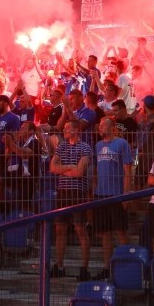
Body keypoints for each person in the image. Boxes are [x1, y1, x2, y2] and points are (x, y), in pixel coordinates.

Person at [50, 119, 93, 281]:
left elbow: (80, 172)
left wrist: (63, 169)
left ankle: (84, 267)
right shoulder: (61, 146)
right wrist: (70, 168)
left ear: (76, 130)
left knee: (80, 229)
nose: (65, 130)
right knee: (59, 229)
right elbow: (52, 168)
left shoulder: (85, 147)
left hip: (77, 192)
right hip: (63, 192)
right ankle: (59, 266)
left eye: (68, 128)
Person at [92, 118, 133, 279]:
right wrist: (95, 188)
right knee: (105, 233)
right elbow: (95, 169)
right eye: (100, 124)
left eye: (103, 124)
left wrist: (126, 193)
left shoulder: (122, 143)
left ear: (112, 127)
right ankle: (106, 266)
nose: (100, 127)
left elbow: (127, 171)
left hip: (116, 194)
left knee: (121, 230)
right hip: (101, 194)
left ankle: (128, 265)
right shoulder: (98, 145)